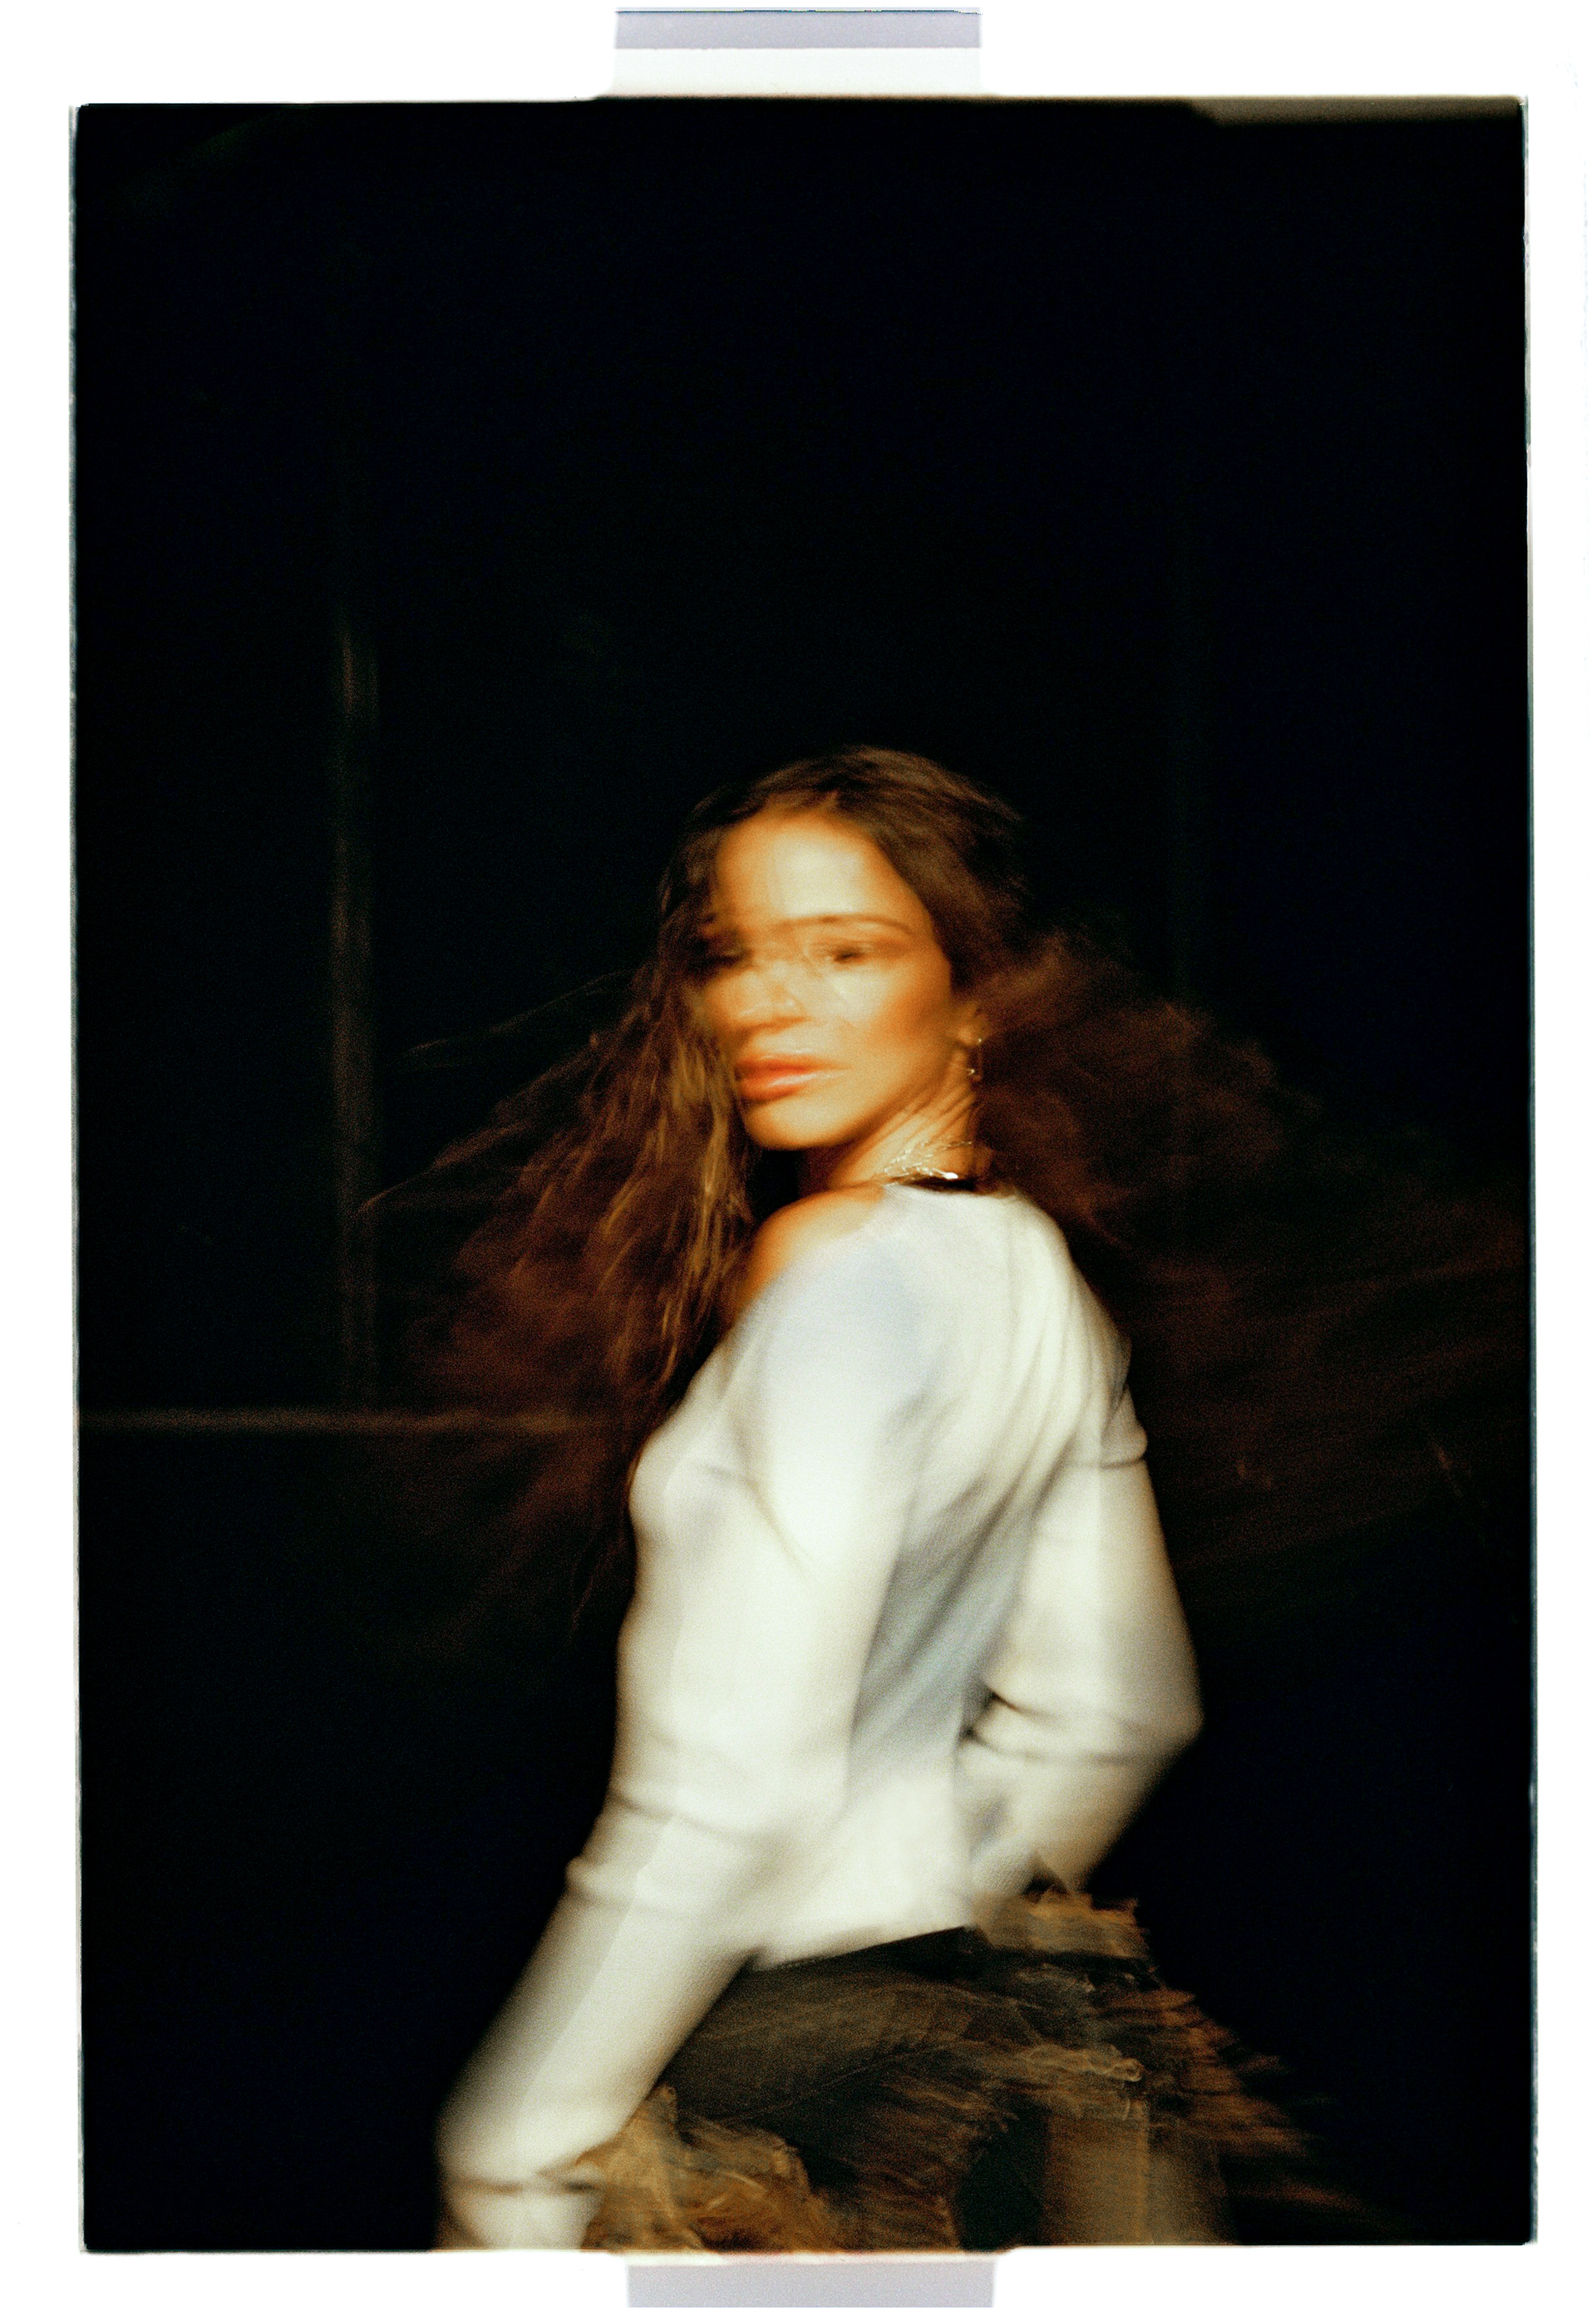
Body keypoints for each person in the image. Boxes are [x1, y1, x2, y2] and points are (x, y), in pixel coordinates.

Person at [406, 748, 1521, 2250]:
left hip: (775, 2080)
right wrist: (935, 1907)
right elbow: (1120, 1708)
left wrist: (521, 2142)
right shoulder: (1033, 1275)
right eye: (735, 953)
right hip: (963, 2063)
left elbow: (735, 1773)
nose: (767, 1003)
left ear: (976, 990)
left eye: (845, 951)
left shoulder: (839, 1287)